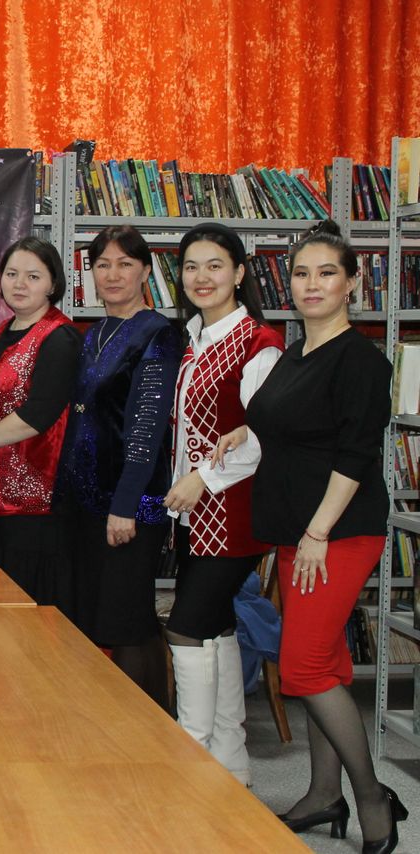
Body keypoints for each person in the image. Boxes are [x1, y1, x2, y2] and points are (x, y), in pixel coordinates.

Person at [214, 220, 405, 851]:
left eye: (327, 273)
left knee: (302, 667)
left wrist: (319, 531)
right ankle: (324, 795)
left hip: (336, 533)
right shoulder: (297, 352)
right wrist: (246, 431)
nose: (312, 284)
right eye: (301, 273)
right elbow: (287, 420)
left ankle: (373, 798)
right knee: (326, 664)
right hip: (298, 532)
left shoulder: (362, 360)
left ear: (352, 283)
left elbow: (354, 453)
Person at [159, 223, 283, 787]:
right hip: (194, 515)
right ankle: (231, 762)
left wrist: (201, 479)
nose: (201, 277)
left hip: (234, 510)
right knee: (216, 627)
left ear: (238, 273)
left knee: (186, 628)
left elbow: (262, 435)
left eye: (214, 265)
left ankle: (191, 760)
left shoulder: (259, 342)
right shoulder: (192, 339)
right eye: (191, 266)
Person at [54, 225, 179, 707]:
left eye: (125, 264)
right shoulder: (94, 332)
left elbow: (147, 428)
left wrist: (125, 505)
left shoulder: (158, 333)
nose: (112, 274)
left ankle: (147, 728)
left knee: (127, 622)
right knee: (100, 618)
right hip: (86, 501)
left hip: (131, 503)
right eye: (102, 264)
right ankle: (121, 723)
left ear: (145, 271)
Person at [0, 237, 81, 604]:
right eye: (12, 274)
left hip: (34, 496)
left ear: (52, 283)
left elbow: (38, 413)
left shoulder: (59, 337)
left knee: (28, 600)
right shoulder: (3, 331)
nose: (20, 284)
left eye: (33, 276)